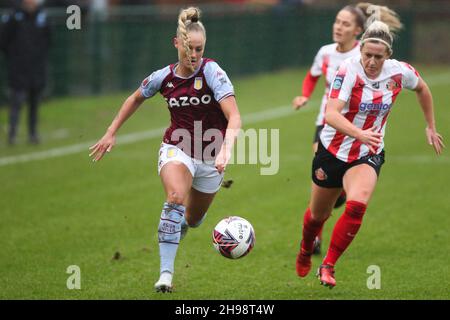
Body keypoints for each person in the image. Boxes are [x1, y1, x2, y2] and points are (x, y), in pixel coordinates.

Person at [89, 7, 241, 293]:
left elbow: (234, 116)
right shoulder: (164, 77)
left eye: (198, 49)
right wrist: (111, 132)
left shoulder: (212, 72)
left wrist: (225, 151)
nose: (193, 55)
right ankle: (166, 275)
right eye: (188, 48)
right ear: (176, 44)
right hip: (176, 148)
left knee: (193, 221)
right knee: (174, 198)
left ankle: (181, 224)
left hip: (211, 158)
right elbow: (135, 98)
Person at [295, 15, 444, 288]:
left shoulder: (400, 71)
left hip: (368, 152)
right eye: (367, 55)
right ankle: (305, 250)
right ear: (360, 49)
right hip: (333, 150)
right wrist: (359, 133)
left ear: (388, 55)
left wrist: (430, 126)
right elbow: (330, 114)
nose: (372, 62)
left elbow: (422, 89)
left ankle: (328, 265)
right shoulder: (348, 70)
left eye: (378, 56)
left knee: (357, 204)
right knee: (318, 215)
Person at [291, 3, 384, 254]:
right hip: (326, 124)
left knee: (340, 195)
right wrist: (304, 95)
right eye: (337, 21)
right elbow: (312, 76)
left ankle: (328, 209)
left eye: (345, 23)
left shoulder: (365, 57)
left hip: (356, 130)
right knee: (320, 176)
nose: (338, 27)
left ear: (357, 30)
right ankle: (315, 237)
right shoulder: (325, 53)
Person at [0, 0, 51, 145]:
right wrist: (15, 56)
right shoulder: (13, 16)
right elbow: (3, 40)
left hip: (37, 67)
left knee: (34, 103)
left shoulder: (42, 16)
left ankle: (33, 133)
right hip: (18, 67)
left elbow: (48, 39)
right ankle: (12, 134)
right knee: (17, 101)